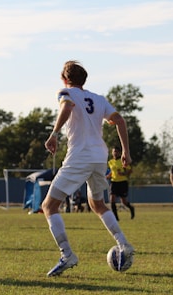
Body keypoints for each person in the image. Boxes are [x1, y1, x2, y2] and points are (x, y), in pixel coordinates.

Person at [41, 60, 134, 277]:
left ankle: (67, 255)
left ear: (65, 79)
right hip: (99, 156)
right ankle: (124, 244)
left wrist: (54, 134)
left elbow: (66, 106)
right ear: (84, 79)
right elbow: (119, 120)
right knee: (97, 204)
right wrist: (125, 152)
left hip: (80, 156)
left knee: (49, 206)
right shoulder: (99, 99)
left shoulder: (65, 92)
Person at [107, 146, 135, 220]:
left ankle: (131, 208)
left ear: (119, 152)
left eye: (116, 151)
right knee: (112, 199)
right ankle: (116, 217)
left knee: (124, 202)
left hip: (122, 182)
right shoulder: (110, 162)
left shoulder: (123, 160)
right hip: (114, 182)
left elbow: (130, 170)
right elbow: (112, 172)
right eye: (113, 151)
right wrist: (108, 176)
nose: (115, 153)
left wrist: (123, 173)